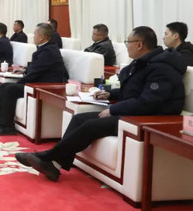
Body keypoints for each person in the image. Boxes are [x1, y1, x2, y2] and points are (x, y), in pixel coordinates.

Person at [16, 26, 187, 182]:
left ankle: (47, 157)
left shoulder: (160, 68)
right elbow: (133, 92)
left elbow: (149, 102)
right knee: (79, 119)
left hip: (147, 118)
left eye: (128, 42)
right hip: (133, 111)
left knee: (91, 125)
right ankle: (55, 164)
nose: (126, 46)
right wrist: (111, 94)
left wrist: (114, 109)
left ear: (140, 44)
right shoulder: (143, 63)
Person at [0, 23, 67, 135]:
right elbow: (36, 67)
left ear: (41, 37)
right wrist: (25, 70)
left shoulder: (49, 51)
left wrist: (19, 82)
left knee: (10, 89)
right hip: (37, 80)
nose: (33, 37)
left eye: (35, 34)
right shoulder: (46, 48)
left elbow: (36, 72)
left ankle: (7, 126)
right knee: (4, 86)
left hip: (43, 85)